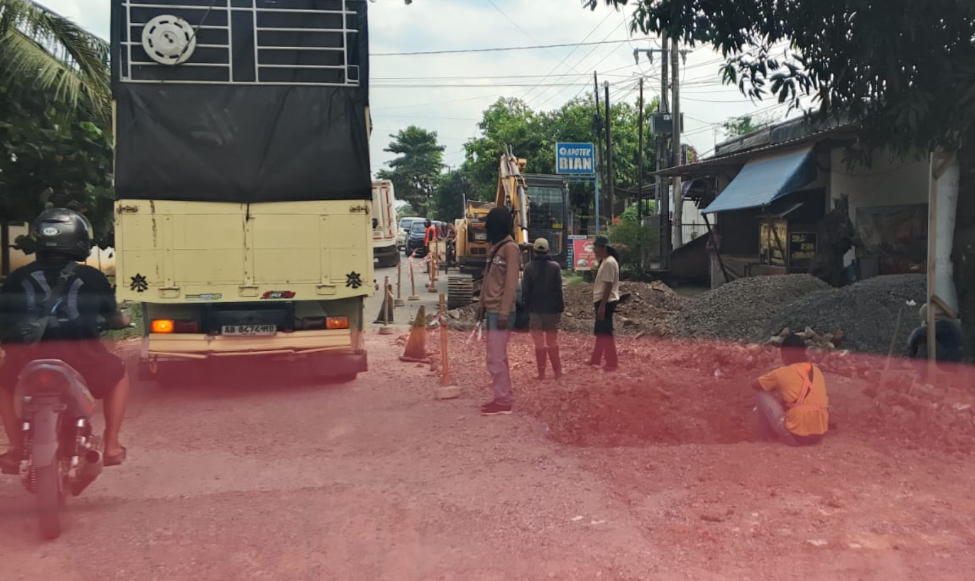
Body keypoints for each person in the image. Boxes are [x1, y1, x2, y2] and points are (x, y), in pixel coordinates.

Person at [0, 209, 131, 474]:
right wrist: (122, 321)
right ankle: (112, 445)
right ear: (79, 240)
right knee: (120, 374)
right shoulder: (92, 277)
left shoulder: (17, 277)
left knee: (4, 385)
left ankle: (15, 450)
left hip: (25, 360)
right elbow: (112, 317)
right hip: (82, 359)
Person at [477, 207, 521, 416]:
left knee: (496, 356)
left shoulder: (510, 248)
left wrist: (504, 312)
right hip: (492, 309)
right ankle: (502, 396)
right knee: (496, 356)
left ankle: (503, 401)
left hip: (501, 312)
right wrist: (481, 306)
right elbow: (487, 279)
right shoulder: (495, 247)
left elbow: (511, 283)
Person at [752, 334, 829, 446]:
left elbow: (754, 384)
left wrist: (774, 382)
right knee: (794, 401)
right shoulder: (816, 371)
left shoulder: (781, 373)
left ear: (784, 355)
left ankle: (767, 440)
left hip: (796, 438)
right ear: (804, 353)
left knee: (762, 395)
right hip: (818, 436)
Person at [522, 237, 564, 380]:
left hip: (535, 310)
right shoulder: (555, 267)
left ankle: (541, 373)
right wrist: (560, 309)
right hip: (551, 310)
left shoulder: (529, 267)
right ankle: (557, 372)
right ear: (547, 250)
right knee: (552, 341)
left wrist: (527, 310)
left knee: (539, 343)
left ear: (534, 251)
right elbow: (558, 290)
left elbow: (525, 292)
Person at [907, 302, 964, 377]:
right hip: (961, 362)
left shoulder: (941, 324)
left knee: (924, 343)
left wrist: (912, 356)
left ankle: (922, 376)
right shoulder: (953, 323)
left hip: (949, 363)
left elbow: (915, 335)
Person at [589, 235, 620, 371]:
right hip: (604, 300)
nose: (594, 250)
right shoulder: (607, 261)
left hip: (605, 301)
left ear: (603, 248)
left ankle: (612, 362)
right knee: (601, 331)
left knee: (605, 333)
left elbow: (608, 285)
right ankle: (595, 359)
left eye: (595, 247)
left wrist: (602, 305)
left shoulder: (608, 263)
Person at [705, 224, 725, 289]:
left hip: (717, 256)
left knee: (718, 270)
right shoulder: (711, 237)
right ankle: (711, 284)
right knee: (711, 271)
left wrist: (712, 247)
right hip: (711, 255)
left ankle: (720, 284)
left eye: (713, 228)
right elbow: (707, 246)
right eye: (712, 228)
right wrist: (712, 247)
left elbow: (718, 247)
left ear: (716, 229)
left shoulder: (720, 237)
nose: (712, 229)